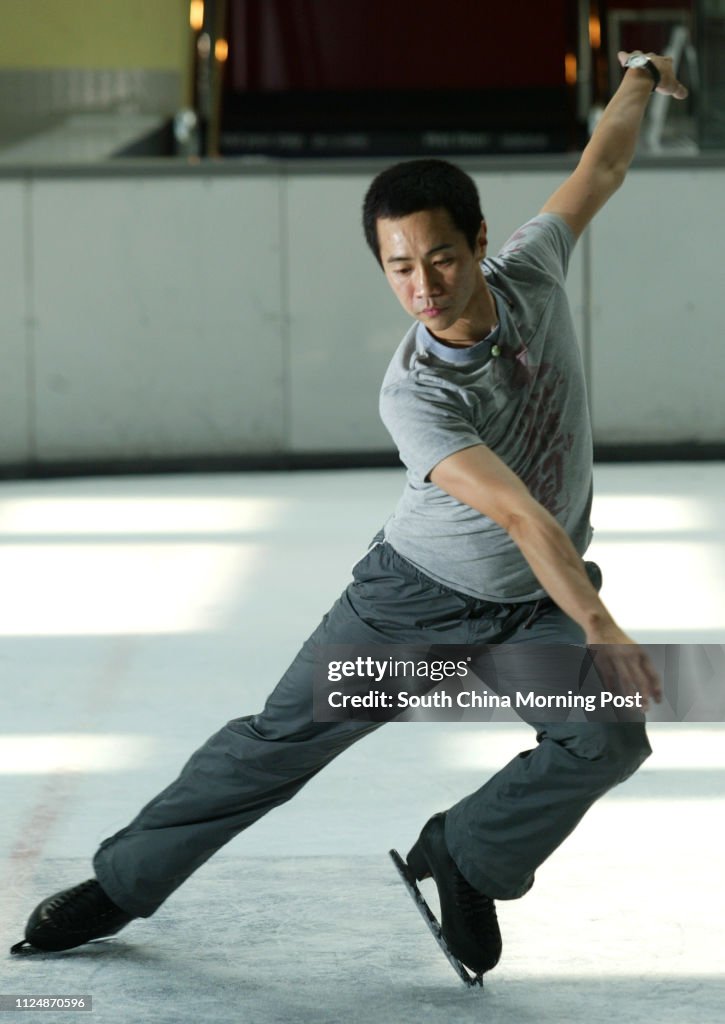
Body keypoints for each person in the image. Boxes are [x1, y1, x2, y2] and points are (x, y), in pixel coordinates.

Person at [12, 50, 687, 976]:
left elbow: (599, 165)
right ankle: (123, 883)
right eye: (399, 266)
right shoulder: (414, 395)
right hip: (410, 609)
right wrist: (602, 623)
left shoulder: (532, 268)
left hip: (529, 608)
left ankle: (465, 856)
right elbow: (523, 516)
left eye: (441, 256)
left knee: (606, 737)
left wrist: (641, 77)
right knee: (275, 749)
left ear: (480, 240)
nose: (423, 284)